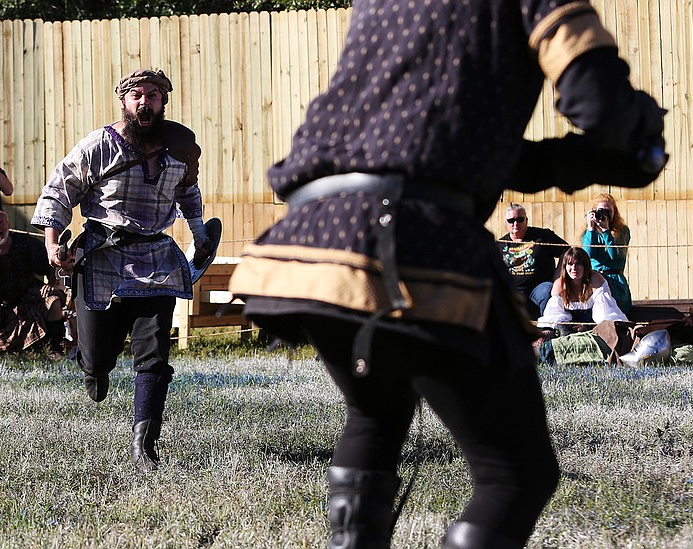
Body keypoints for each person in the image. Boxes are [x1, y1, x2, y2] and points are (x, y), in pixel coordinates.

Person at [228, 1, 667, 547]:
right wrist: (640, 131)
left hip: (310, 238)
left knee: (376, 417)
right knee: (516, 473)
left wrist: (589, 162)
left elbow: (452, 150)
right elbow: (601, 106)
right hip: (410, 236)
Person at [31, 68, 212, 473]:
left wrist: (199, 233)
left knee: (154, 356)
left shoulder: (178, 148)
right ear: (124, 102)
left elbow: (188, 192)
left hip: (157, 261)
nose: (144, 102)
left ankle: (144, 446)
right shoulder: (99, 144)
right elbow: (59, 189)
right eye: (136, 95)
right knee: (99, 357)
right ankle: (92, 367)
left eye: (153, 95)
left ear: (163, 103)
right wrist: (51, 242)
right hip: (104, 258)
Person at [0, 209, 65, 356]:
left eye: (1, 222)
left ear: (8, 225)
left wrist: (51, 283)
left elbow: (49, 263)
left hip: (28, 297)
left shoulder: (25, 243)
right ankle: (16, 348)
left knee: (53, 301)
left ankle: (53, 348)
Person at [499, 203, 568, 319]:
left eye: (520, 219)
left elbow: (566, 251)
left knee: (547, 289)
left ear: (526, 220)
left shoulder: (542, 236)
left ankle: (548, 328)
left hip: (539, 288)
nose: (515, 224)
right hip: (513, 291)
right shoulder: (499, 244)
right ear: (506, 223)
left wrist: (558, 275)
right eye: (511, 221)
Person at [536, 246, 628, 333]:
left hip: (595, 330)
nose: (574, 268)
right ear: (565, 267)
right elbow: (553, 315)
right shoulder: (560, 285)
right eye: (570, 264)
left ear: (586, 266)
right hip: (568, 331)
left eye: (579, 264)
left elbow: (606, 313)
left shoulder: (596, 281)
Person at [581, 192, 632, 312]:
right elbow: (587, 256)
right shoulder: (588, 233)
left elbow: (614, 256)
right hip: (594, 280)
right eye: (600, 211)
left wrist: (606, 232)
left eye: (608, 211)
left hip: (615, 281)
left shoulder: (622, 231)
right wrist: (590, 229)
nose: (604, 214)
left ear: (615, 212)